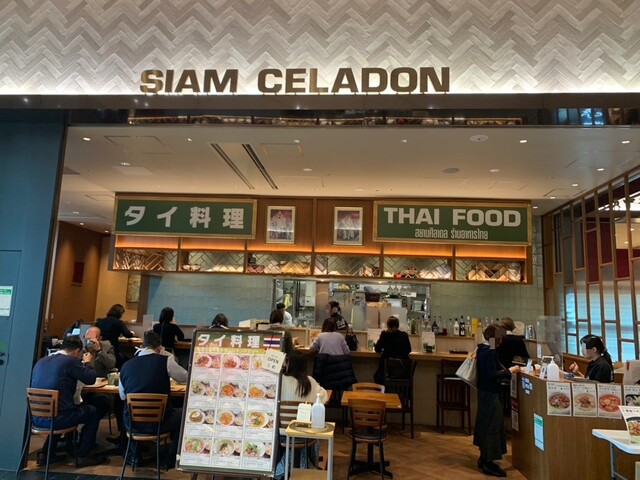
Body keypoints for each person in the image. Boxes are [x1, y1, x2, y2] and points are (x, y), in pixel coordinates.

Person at [30, 336, 106, 467]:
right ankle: (83, 454)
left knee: (57, 409)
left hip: (37, 418)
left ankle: (46, 454)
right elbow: (90, 379)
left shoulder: (42, 361)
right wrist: (88, 362)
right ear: (77, 351)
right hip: (60, 418)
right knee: (94, 411)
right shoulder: (70, 361)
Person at [118, 331, 187, 468]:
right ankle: (171, 458)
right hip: (160, 423)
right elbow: (185, 377)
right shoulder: (165, 361)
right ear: (159, 348)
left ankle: (135, 456)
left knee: (128, 410)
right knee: (184, 414)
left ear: (142, 346)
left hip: (133, 425)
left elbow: (122, 396)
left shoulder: (126, 366)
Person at [474, 324, 519, 477]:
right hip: (491, 393)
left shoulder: (481, 349)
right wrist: (509, 371)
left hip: (483, 392)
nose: (500, 342)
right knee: (493, 425)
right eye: (499, 339)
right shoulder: (491, 352)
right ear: (494, 339)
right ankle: (488, 463)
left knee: (485, 424)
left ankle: (483, 457)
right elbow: (493, 375)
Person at [276, 350, 328, 478]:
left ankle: (281, 468)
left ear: (288, 363)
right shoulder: (310, 382)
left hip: (282, 433)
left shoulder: (279, 380)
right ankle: (304, 468)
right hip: (304, 433)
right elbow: (324, 397)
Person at [373, 315, 412, 384]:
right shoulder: (404, 335)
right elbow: (408, 350)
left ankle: (385, 390)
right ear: (397, 326)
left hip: (386, 374)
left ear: (388, 326)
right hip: (402, 374)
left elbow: (377, 349)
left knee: (377, 377)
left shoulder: (385, 335)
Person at [95, 304, 134, 369]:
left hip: (100, 348)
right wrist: (132, 334)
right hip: (113, 350)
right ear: (120, 314)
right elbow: (127, 335)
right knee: (127, 359)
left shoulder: (100, 321)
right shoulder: (118, 322)